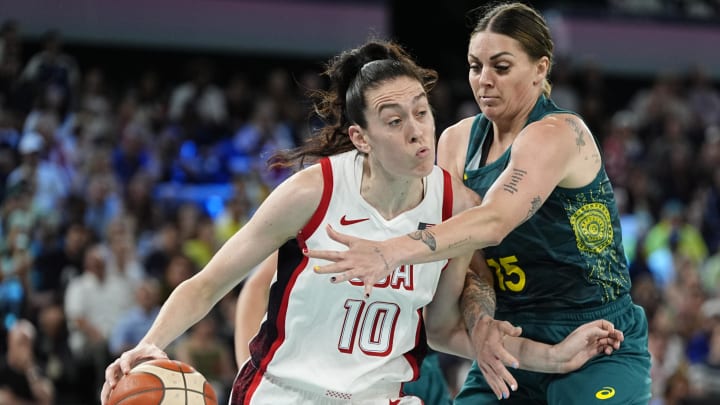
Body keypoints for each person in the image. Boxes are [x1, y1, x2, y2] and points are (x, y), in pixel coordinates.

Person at [101, 39, 624, 405]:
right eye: (396, 122)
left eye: (422, 112)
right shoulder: (315, 192)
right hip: (284, 394)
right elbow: (210, 283)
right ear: (361, 138)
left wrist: (551, 357)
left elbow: (443, 330)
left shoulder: (455, 206)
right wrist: (153, 342)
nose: (419, 132)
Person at [308, 4, 652, 404]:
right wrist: (481, 321)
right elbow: (470, 261)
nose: (484, 80)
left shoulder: (559, 132)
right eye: (475, 66)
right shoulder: (455, 142)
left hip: (597, 334)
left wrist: (390, 252)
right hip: (513, 338)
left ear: (541, 69)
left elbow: (492, 222)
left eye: (501, 67)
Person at [233, 252, 453, 404]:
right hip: (318, 377)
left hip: (404, 372)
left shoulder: (443, 206)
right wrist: (251, 369)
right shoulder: (327, 205)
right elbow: (258, 287)